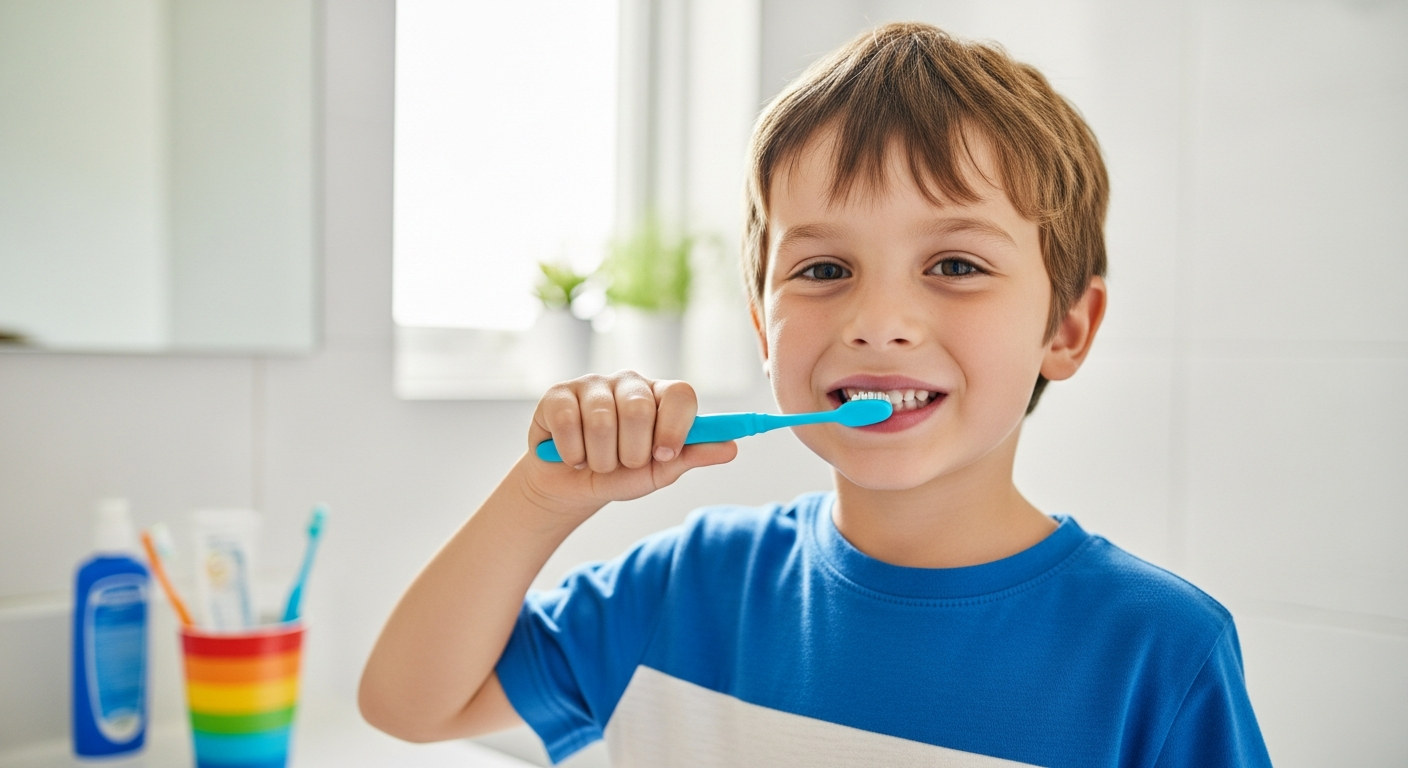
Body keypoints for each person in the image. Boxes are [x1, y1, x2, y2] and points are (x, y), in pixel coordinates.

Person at [359, 22, 1271, 767]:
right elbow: (407, 704)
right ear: (763, 329)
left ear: (1065, 329)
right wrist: (539, 500)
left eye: (955, 264)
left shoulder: (1155, 653)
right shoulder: (688, 588)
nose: (879, 319)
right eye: (824, 267)